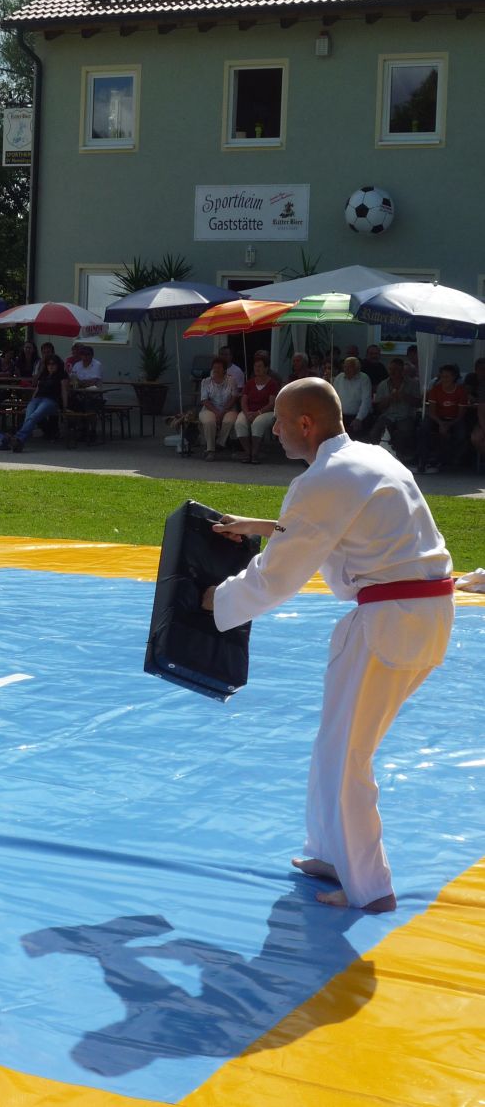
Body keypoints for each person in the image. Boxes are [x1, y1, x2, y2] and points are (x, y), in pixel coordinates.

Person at [202, 378, 453, 913]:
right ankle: (329, 852)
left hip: (390, 621)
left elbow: (277, 577)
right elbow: (335, 528)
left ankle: (370, 888)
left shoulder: (323, 478)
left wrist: (213, 600)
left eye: (279, 421)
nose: (274, 431)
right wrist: (265, 525)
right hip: (419, 615)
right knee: (335, 744)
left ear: (305, 423)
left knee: (347, 757)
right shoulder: (372, 458)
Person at [416, 363, 469, 473]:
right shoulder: (435, 390)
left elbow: (461, 414)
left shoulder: (461, 391)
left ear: (454, 377)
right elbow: (431, 411)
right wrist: (441, 424)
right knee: (423, 428)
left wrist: (448, 425)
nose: (444, 379)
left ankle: (452, 460)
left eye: (447, 377)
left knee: (461, 435)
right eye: (442, 376)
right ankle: (423, 460)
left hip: (454, 419)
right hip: (436, 418)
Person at [11, 354, 69, 451]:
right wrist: (31, 402)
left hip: (51, 400)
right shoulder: (43, 374)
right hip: (37, 399)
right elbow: (37, 389)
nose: (51, 366)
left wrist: (65, 407)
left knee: (34, 416)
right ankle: (19, 441)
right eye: (49, 364)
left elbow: (64, 391)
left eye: (53, 364)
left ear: (58, 365)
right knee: (29, 416)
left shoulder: (62, 375)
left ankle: (18, 438)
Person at [368, 357, 420, 460]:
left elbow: (418, 403)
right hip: (387, 416)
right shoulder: (383, 384)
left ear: (402, 371)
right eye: (391, 369)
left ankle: (399, 458)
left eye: (396, 369)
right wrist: (389, 399)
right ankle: (376, 458)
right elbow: (378, 407)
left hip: (405, 416)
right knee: (374, 433)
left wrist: (404, 396)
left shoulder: (413, 384)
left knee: (403, 433)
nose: (392, 372)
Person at [234, 353, 278, 463]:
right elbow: (243, 400)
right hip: (249, 411)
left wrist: (258, 413)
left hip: (266, 412)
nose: (257, 369)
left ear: (266, 368)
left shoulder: (272, 384)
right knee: (240, 423)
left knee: (258, 423)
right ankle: (247, 452)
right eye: (255, 366)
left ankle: (255, 454)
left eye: (260, 366)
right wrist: (247, 413)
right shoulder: (249, 383)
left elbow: (272, 403)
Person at [198, 356, 238, 460]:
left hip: (228, 408)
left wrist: (223, 411)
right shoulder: (206, 381)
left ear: (224, 369)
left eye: (219, 367)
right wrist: (216, 412)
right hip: (210, 408)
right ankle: (210, 449)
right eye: (214, 367)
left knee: (229, 421)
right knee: (209, 422)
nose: (216, 369)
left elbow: (234, 397)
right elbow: (204, 400)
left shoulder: (231, 380)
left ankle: (220, 443)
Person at [332, 356, 373, 438]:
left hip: (359, 416)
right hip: (341, 416)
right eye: (344, 367)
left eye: (349, 367)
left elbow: (366, 401)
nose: (346, 369)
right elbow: (333, 398)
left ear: (357, 368)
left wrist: (359, 419)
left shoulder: (364, 379)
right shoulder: (339, 378)